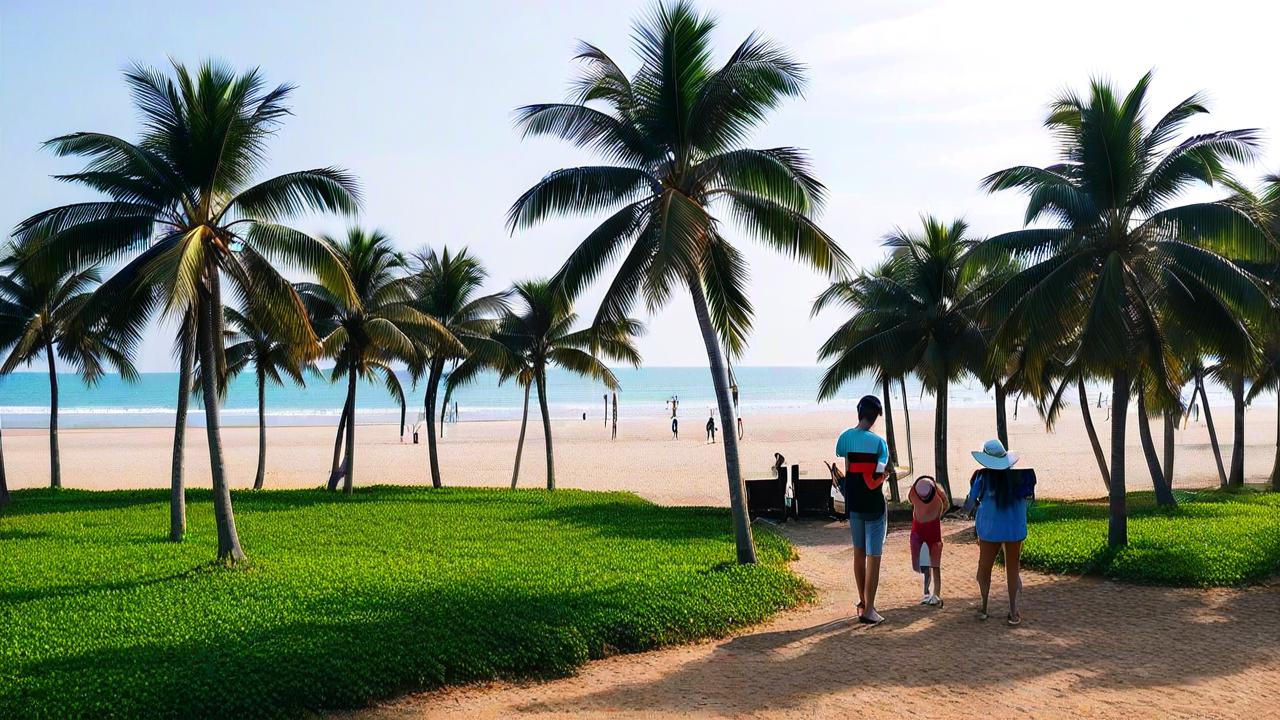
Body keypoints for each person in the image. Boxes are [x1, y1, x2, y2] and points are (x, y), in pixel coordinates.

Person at [964, 438, 1034, 626]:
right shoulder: (1019, 478)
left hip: (990, 530)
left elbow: (970, 503)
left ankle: (985, 608)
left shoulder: (981, 477)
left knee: (984, 568)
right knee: (1013, 569)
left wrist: (971, 503)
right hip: (1014, 530)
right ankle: (1013, 612)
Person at [835, 395, 889, 625]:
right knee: (873, 557)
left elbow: (844, 460)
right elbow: (880, 471)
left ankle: (862, 601)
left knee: (858, 552)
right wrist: (884, 476)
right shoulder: (879, 443)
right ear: (875, 416)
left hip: (854, 502)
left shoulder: (845, 437)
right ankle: (870, 609)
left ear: (859, 412)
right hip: (874, 504)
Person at [908, 475, 949, 607]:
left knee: (932, 564)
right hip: (929, 529)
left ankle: (933, 594)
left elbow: (910, 500)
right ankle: (930, 594)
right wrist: (937, 515)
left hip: (923, 529)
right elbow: (946, 504)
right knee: (929, 563)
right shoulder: (936, 493)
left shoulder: (914, 492)